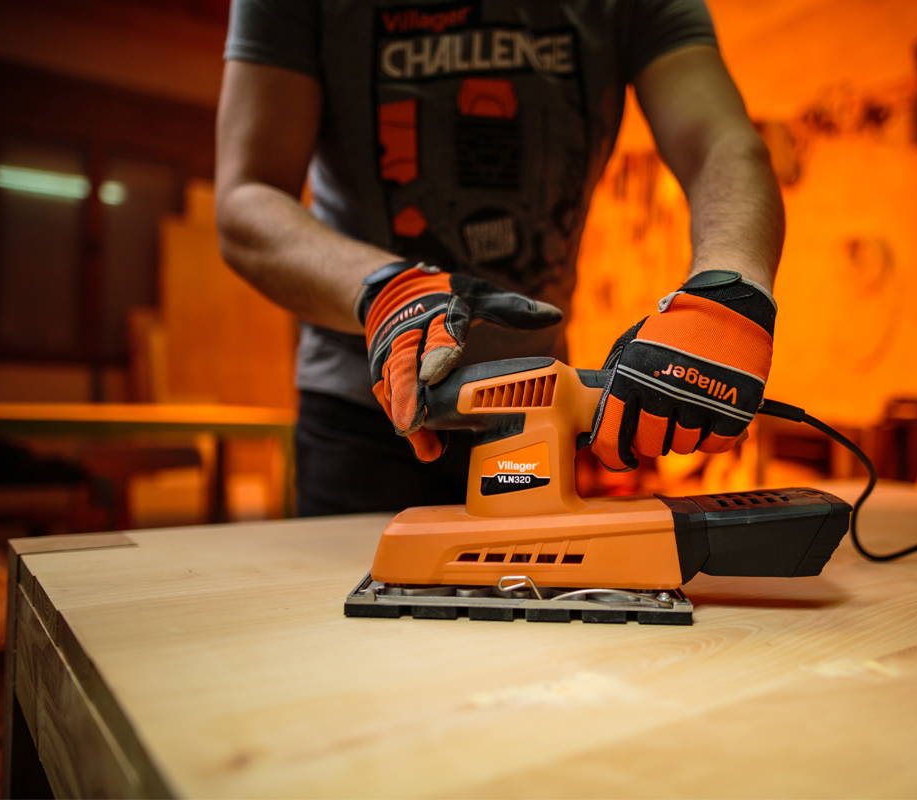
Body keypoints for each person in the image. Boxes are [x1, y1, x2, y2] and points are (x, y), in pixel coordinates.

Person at [216, 0, 784, 515]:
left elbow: (721, 144)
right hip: (368, 418)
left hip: (539, 413)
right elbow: (246, 197)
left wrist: (726, 294)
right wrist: (384, 288)